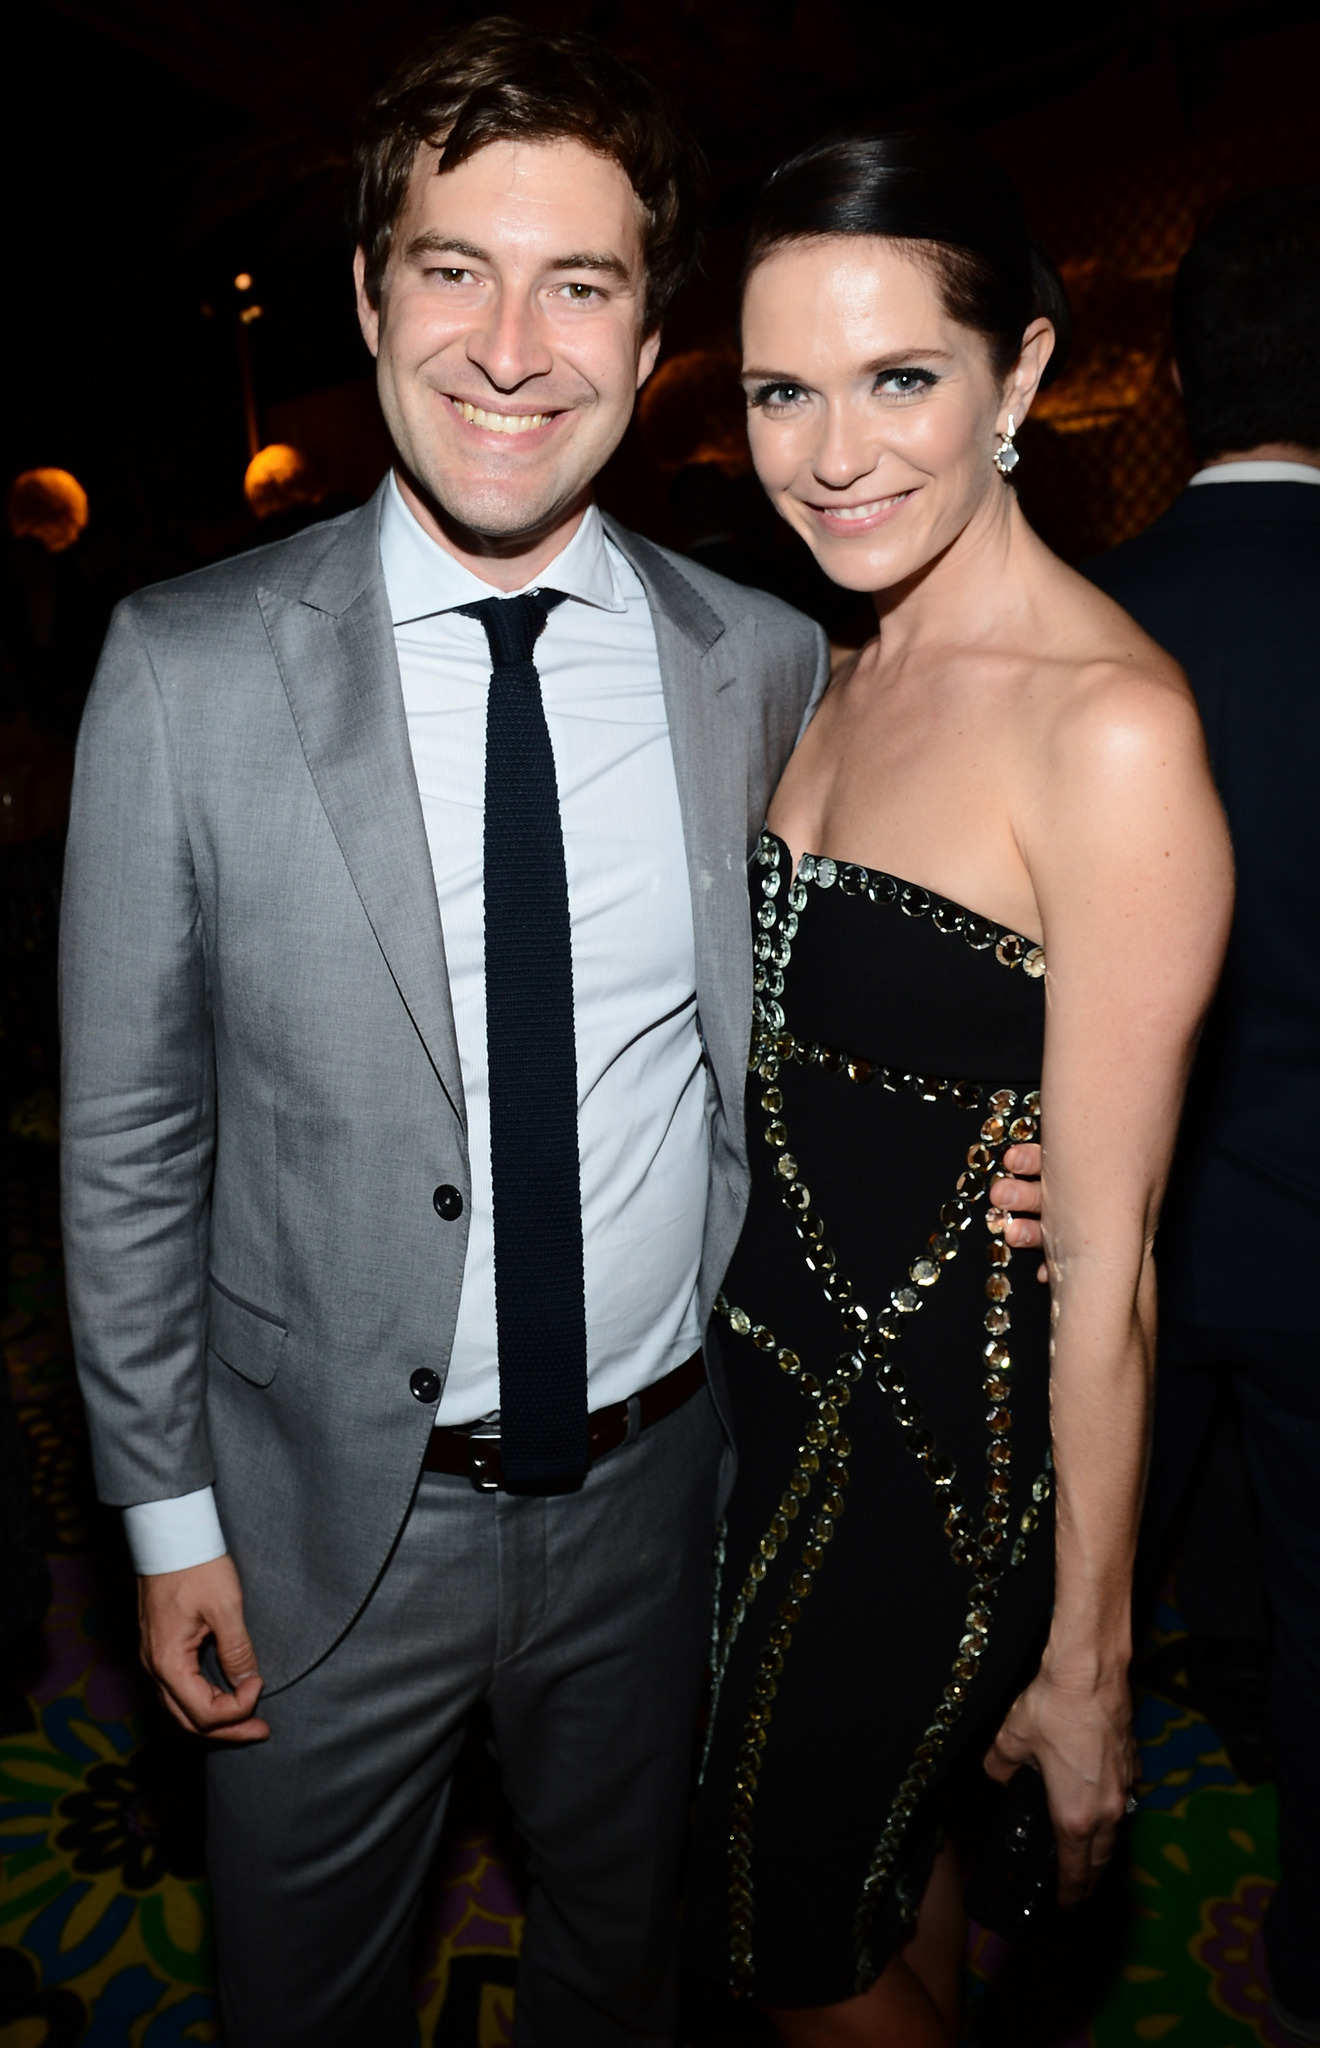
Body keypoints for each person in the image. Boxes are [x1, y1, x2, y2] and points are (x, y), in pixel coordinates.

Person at [56, 24, 1050, 2048]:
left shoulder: (762, 658)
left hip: (662, 1502)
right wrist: (165, 1521)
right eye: (455, 269)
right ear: (368, 292)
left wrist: (998, 1149)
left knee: (625, 1971)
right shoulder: (179, 670)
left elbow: (846, 996)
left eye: (580, 283)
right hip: (326, 1512)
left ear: (650, 329)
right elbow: (130, 1136)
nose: (514, 345)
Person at [685, 130, 1233, 2046]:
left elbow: (1113, 1263)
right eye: (780, 391)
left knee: (783, 1953)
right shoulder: (836, 653)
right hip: (765, 1428)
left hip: (932, 1463)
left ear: (1019, 376)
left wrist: (1091, 1659)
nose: (833, 453)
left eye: (900, 377)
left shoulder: (1111, 727)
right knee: (869, 1902)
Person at [1086, 185, 1320, 2048]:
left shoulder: (1092, 624)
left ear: (1181, 376)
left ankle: (1044, 1916)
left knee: (1071, 1598)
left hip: (1133, 1238)